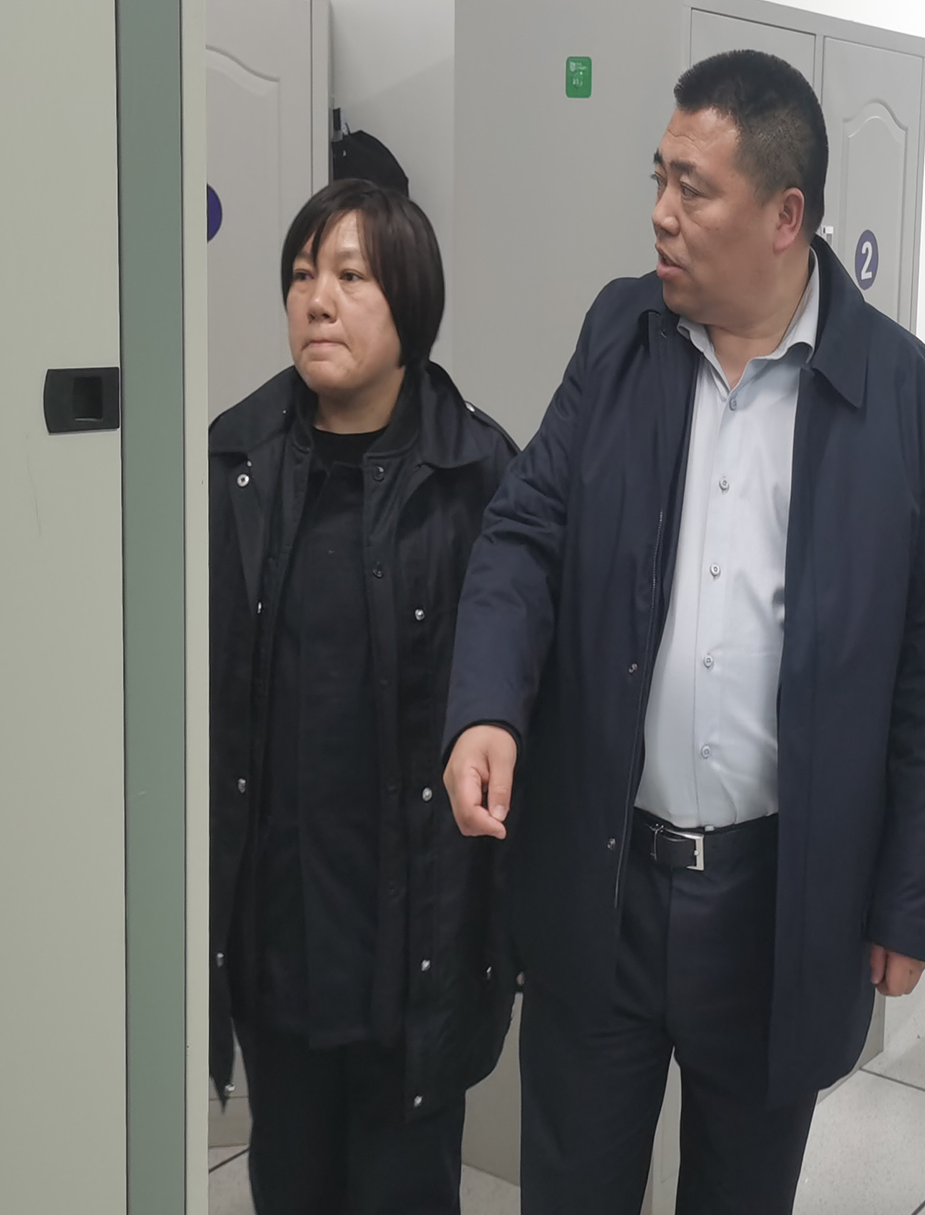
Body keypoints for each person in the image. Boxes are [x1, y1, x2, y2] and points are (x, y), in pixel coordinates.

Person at [440, 51, 925, 1215]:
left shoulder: (909, 400)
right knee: (573, 1187)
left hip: (778, 902)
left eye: (693, 188)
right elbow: (527, 526)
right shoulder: (622, 332)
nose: (661, 213)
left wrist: (910, 895)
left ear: (786, 217)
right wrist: (486, 705)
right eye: (659, 178)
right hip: (607, 878)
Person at [208, 179, 518, 1214]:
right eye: (303, 276)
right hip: (280, 944)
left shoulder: (477, 474)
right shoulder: (234, 461)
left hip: (412, 951)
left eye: (350, 276)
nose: (318, 301)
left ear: (409, 303)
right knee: (289, 1182)